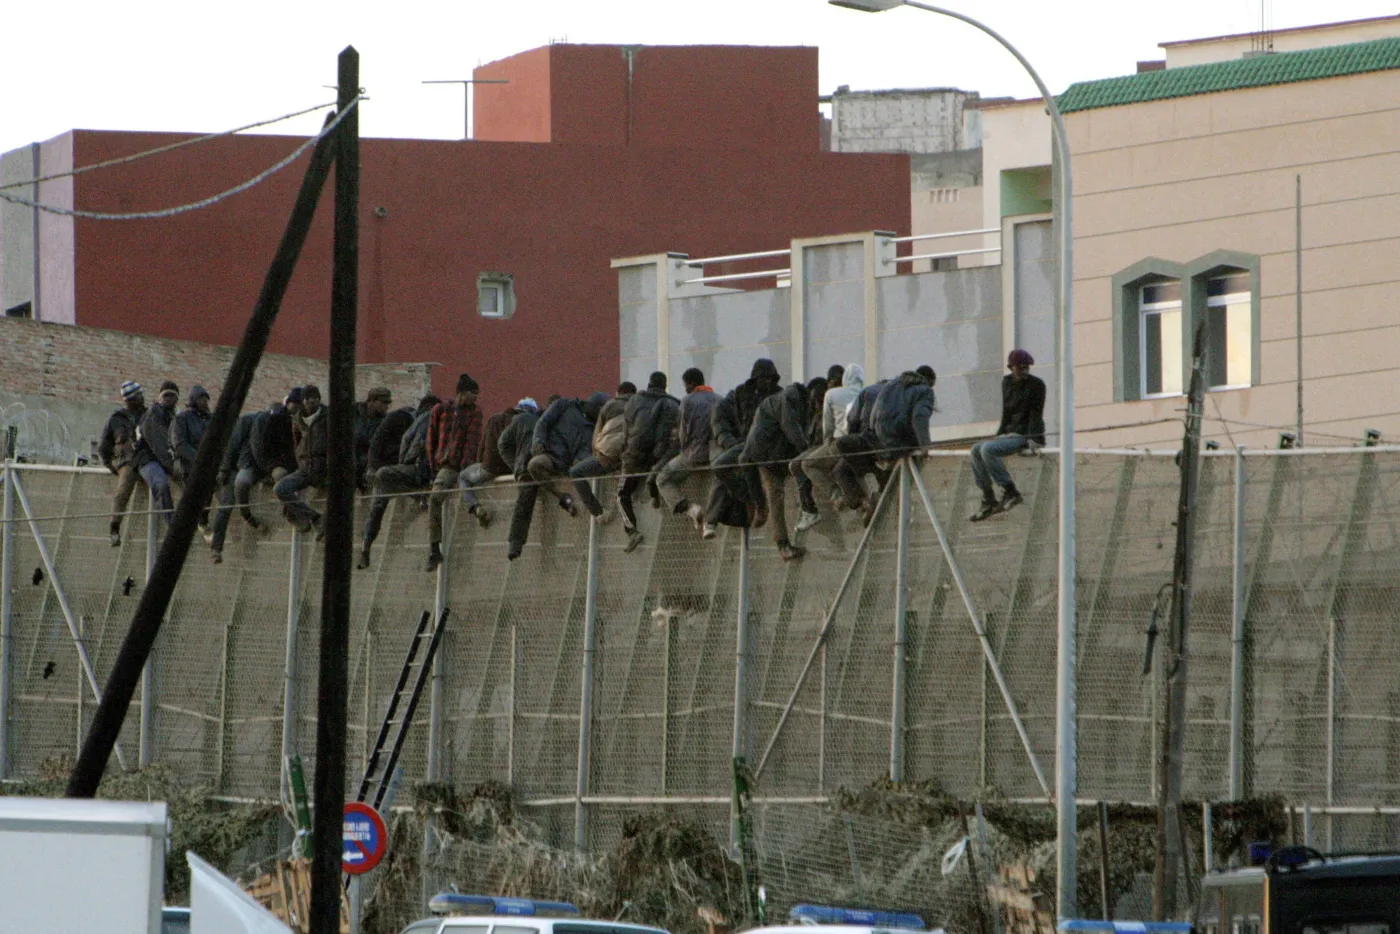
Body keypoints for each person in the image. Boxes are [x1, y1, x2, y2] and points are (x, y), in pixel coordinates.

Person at [357, 393, 441, 569]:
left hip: (402, 472)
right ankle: (366, 548)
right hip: (398, 471)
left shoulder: (420, 420)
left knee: (379, 506)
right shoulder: (404, 418)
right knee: (379, 502)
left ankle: (368, 548)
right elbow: (380, 444)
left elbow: (407, 443)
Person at [704, 358, 782, 538]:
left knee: (745, 465)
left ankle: (757, 505)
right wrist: (734, 441)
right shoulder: (741, 393)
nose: (767, 381)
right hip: (745, 443)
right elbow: (732, 421)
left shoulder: (779, 394)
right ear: (755, 377)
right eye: (764, 377)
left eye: (770, 378)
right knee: (719, 465)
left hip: (769, 445)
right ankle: (751, 498)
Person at [970, 349, 1046, 522]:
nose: (1025, 372)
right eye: (1021, 368)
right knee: (976, 449)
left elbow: (1036, 414)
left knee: (988, 450)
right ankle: (988, 497)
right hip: (1008, 432)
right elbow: (1006, 411)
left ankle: (1010, 490)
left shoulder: (1037, 385)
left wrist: (1034, 439)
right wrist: (999, 434)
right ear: (1011, 368)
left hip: (1023, 434)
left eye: (1027, 368)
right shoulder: (1006, 383)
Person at [741, 379, 810, 561]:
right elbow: (792, 428)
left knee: (776, 497)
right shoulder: (788, 399)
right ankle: (785, 543)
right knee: (777, 494)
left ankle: (783, 543)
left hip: (764, 453)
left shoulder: (775, 400)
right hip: (770, 455)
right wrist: (807, 450)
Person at [792, 362, 864, 532]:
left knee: (806, 464)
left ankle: (835, 495)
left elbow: (828, 426)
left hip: (839, 443)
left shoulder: (831, 395)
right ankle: (858, 503)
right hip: (864, 443)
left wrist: (827, 444)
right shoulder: (864, 392)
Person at [424, 374, 485, 572]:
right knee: (435, 499)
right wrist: (434, 466)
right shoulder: (440, 410)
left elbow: (473, 442)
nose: (475, 397)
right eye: (472, 393)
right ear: (461, 393)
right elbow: (430, 440)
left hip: (462, 468)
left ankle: (461, 557)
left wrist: (466, 467)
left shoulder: (475, 413)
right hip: (445, 466)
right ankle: (434, 548)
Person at [614, 372, 679, 552]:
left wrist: (625, 453)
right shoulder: (674, 404)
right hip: (659, 458)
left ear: (649, 384)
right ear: (665, 386)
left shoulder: (634, 401)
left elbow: (626, 432)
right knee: (663, 479)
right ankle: (655, 495)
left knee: (621, 495)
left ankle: (632, 531)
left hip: (634, 455)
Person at [529, 392, 608, 518]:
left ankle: (593, 509)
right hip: (553, 455)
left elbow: (589, 452)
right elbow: (543, 422)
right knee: (535, 465)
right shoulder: (565, 404)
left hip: (570, 464)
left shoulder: (595, 429)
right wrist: (538, 440)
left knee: (578, 472)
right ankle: (563, 497)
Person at [655, 368, 717, 528]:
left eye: (685, 385)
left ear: (691, 383)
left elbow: (683, 432)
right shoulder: (720, 399)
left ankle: (691, 509)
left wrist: (683, 449)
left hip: (694, 454)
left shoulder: (687, 401)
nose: (685, 389)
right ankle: (710, 523)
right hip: (717, 454)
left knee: (662, 478)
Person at [570, 386, 633, 524]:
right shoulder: (639, 405)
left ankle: (598, 512)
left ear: (618, 393)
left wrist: (596, 455)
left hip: (609, 456)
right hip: (632, 457)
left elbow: (596, 436)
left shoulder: (609, 406)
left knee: (575, 472)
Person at [209, 408, 262, 563]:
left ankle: (249, 551)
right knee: (226, 505)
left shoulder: (274, 423)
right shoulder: (247, 421)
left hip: (254, 468)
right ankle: (216, 548)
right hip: (234, 468)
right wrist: (224, 470)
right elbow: (231, 447)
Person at [99, 380, 147, 546]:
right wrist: (112, 466)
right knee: (123, 491)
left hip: (147, 459)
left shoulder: (148, 415)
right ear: (130, 399)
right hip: (127, 461)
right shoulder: (116, 419)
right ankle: (114, 529)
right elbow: (104, 447)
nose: (142, 398)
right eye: (138, 395)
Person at [275, 384, 327, 534]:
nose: (312, 402)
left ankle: (326, 527)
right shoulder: (297, 420)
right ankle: (315, 517)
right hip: (305, 468)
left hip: (323, 468)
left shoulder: (328, 416)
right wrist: (301, 460)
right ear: (303, 401)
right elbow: (296, 443)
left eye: (315, 398)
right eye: (308, 399)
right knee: (281, 488)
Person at [498, 398, 544, 560]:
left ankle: (515, 545)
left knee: (523, 505)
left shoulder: (518, 420)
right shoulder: (538, 421)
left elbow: (502, 444)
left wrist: (515, 465)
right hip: (541, 467)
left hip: (525, 468)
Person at [170, 385, 213, 535]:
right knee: (195, 489)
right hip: (186, 464)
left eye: (206, 399)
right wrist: (199, 460)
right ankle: (195, 522)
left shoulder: (211, 419)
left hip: (208, 465)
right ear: (194, 400)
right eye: (202, 398)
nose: (205, 402)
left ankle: (202, 520)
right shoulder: (182, 419)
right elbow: (179, 444)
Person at [136, 381, 180, 526]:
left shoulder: (175, 418)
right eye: (166, 395)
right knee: (161, 484)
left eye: (172, 396)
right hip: (149, 460)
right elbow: (160, 447)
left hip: (168, 461)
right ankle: (172, 527)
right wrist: (175, 468)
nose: (169, 399)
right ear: (159, 397)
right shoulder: (153, 414)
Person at [354, 387, 393, 490]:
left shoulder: (385, 422)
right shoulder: (353, 413)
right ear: (372, 401)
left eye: (388, 403)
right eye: (383, 403)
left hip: (368, 473)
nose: (386, 406)